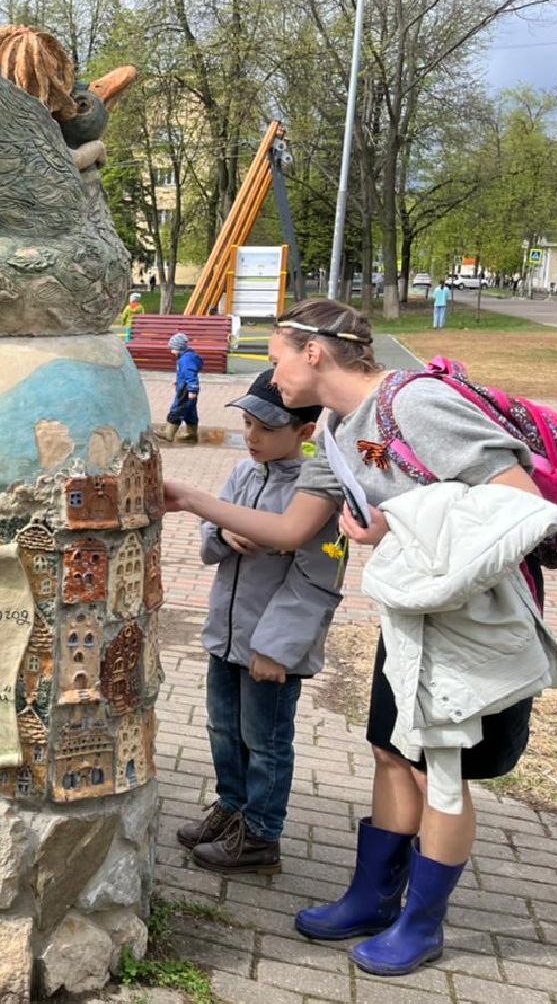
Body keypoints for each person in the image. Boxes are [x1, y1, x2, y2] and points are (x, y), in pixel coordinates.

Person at [163, 299, 551, 977]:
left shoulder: (416, 403)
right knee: (387, 752)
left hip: (475, 621)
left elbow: (522, 507)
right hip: (413, 616)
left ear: (313, 352)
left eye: (275, 356)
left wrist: (393, 526)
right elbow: (288, 530)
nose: (270, 374)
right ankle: (371, 898)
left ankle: (420, 924)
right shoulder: (337, 430)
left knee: (442, 774)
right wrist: (186, 498)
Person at [180, 370, 341, 876]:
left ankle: (261, 836)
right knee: (223, 730)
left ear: (304, 432)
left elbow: (317, 579)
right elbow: (213, 530)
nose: (251, 437)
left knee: (265, 743)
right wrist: (224, 538)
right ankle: (232, 809)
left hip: (269, 651)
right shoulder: (243, 474)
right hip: (225, 638)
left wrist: (276, 648)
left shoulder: (317, 495)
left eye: (266, 429)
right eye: (248, 424)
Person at [163, 331, 203, 442]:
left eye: (173, 348)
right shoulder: (187, 357)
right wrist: (178, 381)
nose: (172, 351)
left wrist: (192, 390)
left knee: (177, 409)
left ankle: (169, 433)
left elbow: (190, 374)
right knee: (190, 411)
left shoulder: (186, 359)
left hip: (186, 390)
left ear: (179, 348)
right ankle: (191, 433)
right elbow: (185, 374)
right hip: (185, 387)